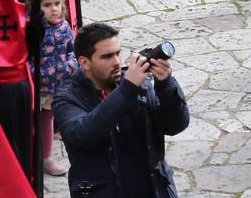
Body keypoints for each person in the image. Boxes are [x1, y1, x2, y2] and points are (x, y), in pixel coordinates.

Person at [53, 21, 190, 198]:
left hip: (153, 189)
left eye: (118, 53)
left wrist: (166, 85)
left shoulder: (140, 85)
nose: (117, 62)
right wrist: (127, 89)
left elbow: (175, 126)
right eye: (107, 57)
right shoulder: (67, 97)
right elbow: (83, 134)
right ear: (84, 62)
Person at [36, 0, 75, 177]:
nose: (54, 9)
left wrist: (71, 65)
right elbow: (26, 55)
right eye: (47, 5)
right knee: (31, 121)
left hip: (55, 86)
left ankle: (46, 158)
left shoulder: (65, 27)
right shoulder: (34, 28)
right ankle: (29, 157)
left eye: (57, 4)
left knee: (47, 120)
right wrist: (33, 72)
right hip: (37, 85)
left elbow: (72, 51)